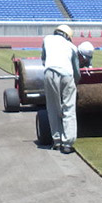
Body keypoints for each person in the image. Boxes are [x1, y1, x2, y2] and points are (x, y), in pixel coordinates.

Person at [41, 24, 81, 154]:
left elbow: (43, 59)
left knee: (53, 107)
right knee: (68, 108)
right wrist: (76, 82)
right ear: (68, 36)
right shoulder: (72, 47)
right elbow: (76, 71)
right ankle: (67, 144)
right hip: (66, 74)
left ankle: (57, 142)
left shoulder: (47, 39)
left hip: (49, 72)